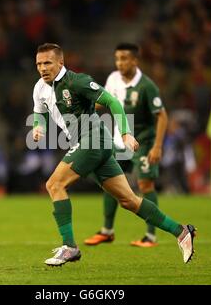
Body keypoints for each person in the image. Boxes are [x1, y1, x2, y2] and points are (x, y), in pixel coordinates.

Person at [32, 43, 196, 266]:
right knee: (129, 201)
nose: (42, 68)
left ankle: (70, 247)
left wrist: (126, 133)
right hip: (89, 143)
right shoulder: (40, 88)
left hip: (93, 139)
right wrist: (38, 126)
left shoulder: (77, 81)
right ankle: (181, 231)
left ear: (60, 62)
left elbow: (112, 101)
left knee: (54, 185)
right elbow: (39, 113)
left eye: (47, 62)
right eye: (39, 64)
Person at [83, 43, 168, 248]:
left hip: (144, 143)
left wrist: (157, 147)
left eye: (124, 59)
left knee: (145, 185)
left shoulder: (147, 86)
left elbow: (162, 116)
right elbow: (104, 102)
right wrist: (83, 106)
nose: (120, 63)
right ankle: (107, 231)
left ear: (135, 61)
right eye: (117, 59)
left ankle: (150, 236)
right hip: (120, 142)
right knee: (111, 183)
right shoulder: (113, 79)